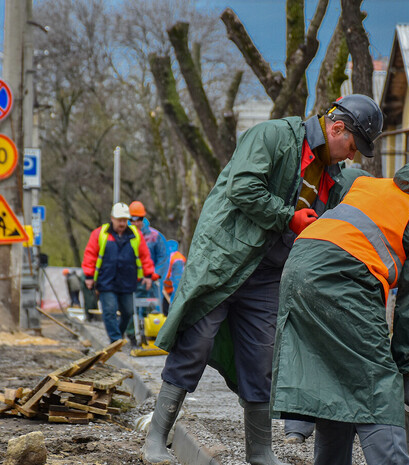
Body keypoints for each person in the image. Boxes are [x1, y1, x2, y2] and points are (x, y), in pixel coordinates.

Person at [141, 94, 384, 465]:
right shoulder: (272, 136)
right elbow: (242, 188)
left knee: (262, 359)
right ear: (337, 128)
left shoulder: (332, 176)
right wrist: (289, 217)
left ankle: (260, 451)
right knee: (196, 343)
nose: (352, 155)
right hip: (225, 259)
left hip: (268, 273)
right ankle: (156, 439)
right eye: (353, 145)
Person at [270, 140, 409, 464]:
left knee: (340, 381)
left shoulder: (382, 186)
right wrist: (407, 373)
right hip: (342, 278)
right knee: (378, 383)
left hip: (299, 266)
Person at [82, 202, 159, 343]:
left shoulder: (135, 235)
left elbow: (144, 256)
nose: (122, 223)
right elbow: (90, 255)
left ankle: (118, 335)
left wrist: (148, 276)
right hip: (106, 281)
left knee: (128, 312)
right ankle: (115, 340)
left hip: (127, 281)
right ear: (112, 218)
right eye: (119, 220)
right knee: (110, 311)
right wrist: (89, 276)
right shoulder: (100, 234)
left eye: (125, 220)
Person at [128, 201, 169, 319]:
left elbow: (163, 257)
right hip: (133, 279)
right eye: (132, 219)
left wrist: (156, 273)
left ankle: (152, 333)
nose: (135, 223)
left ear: (143, 218)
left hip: (152, 280)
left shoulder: (155, 236)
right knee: (132, 310)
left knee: (153, 308)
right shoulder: (126, 236)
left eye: (138, 219)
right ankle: (134, 333)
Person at [160, 239, 185, 311]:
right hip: (165, 290)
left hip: (173, 291)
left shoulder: (177, 260)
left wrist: (174, 300)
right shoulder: (165, 257)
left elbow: (177, 281)